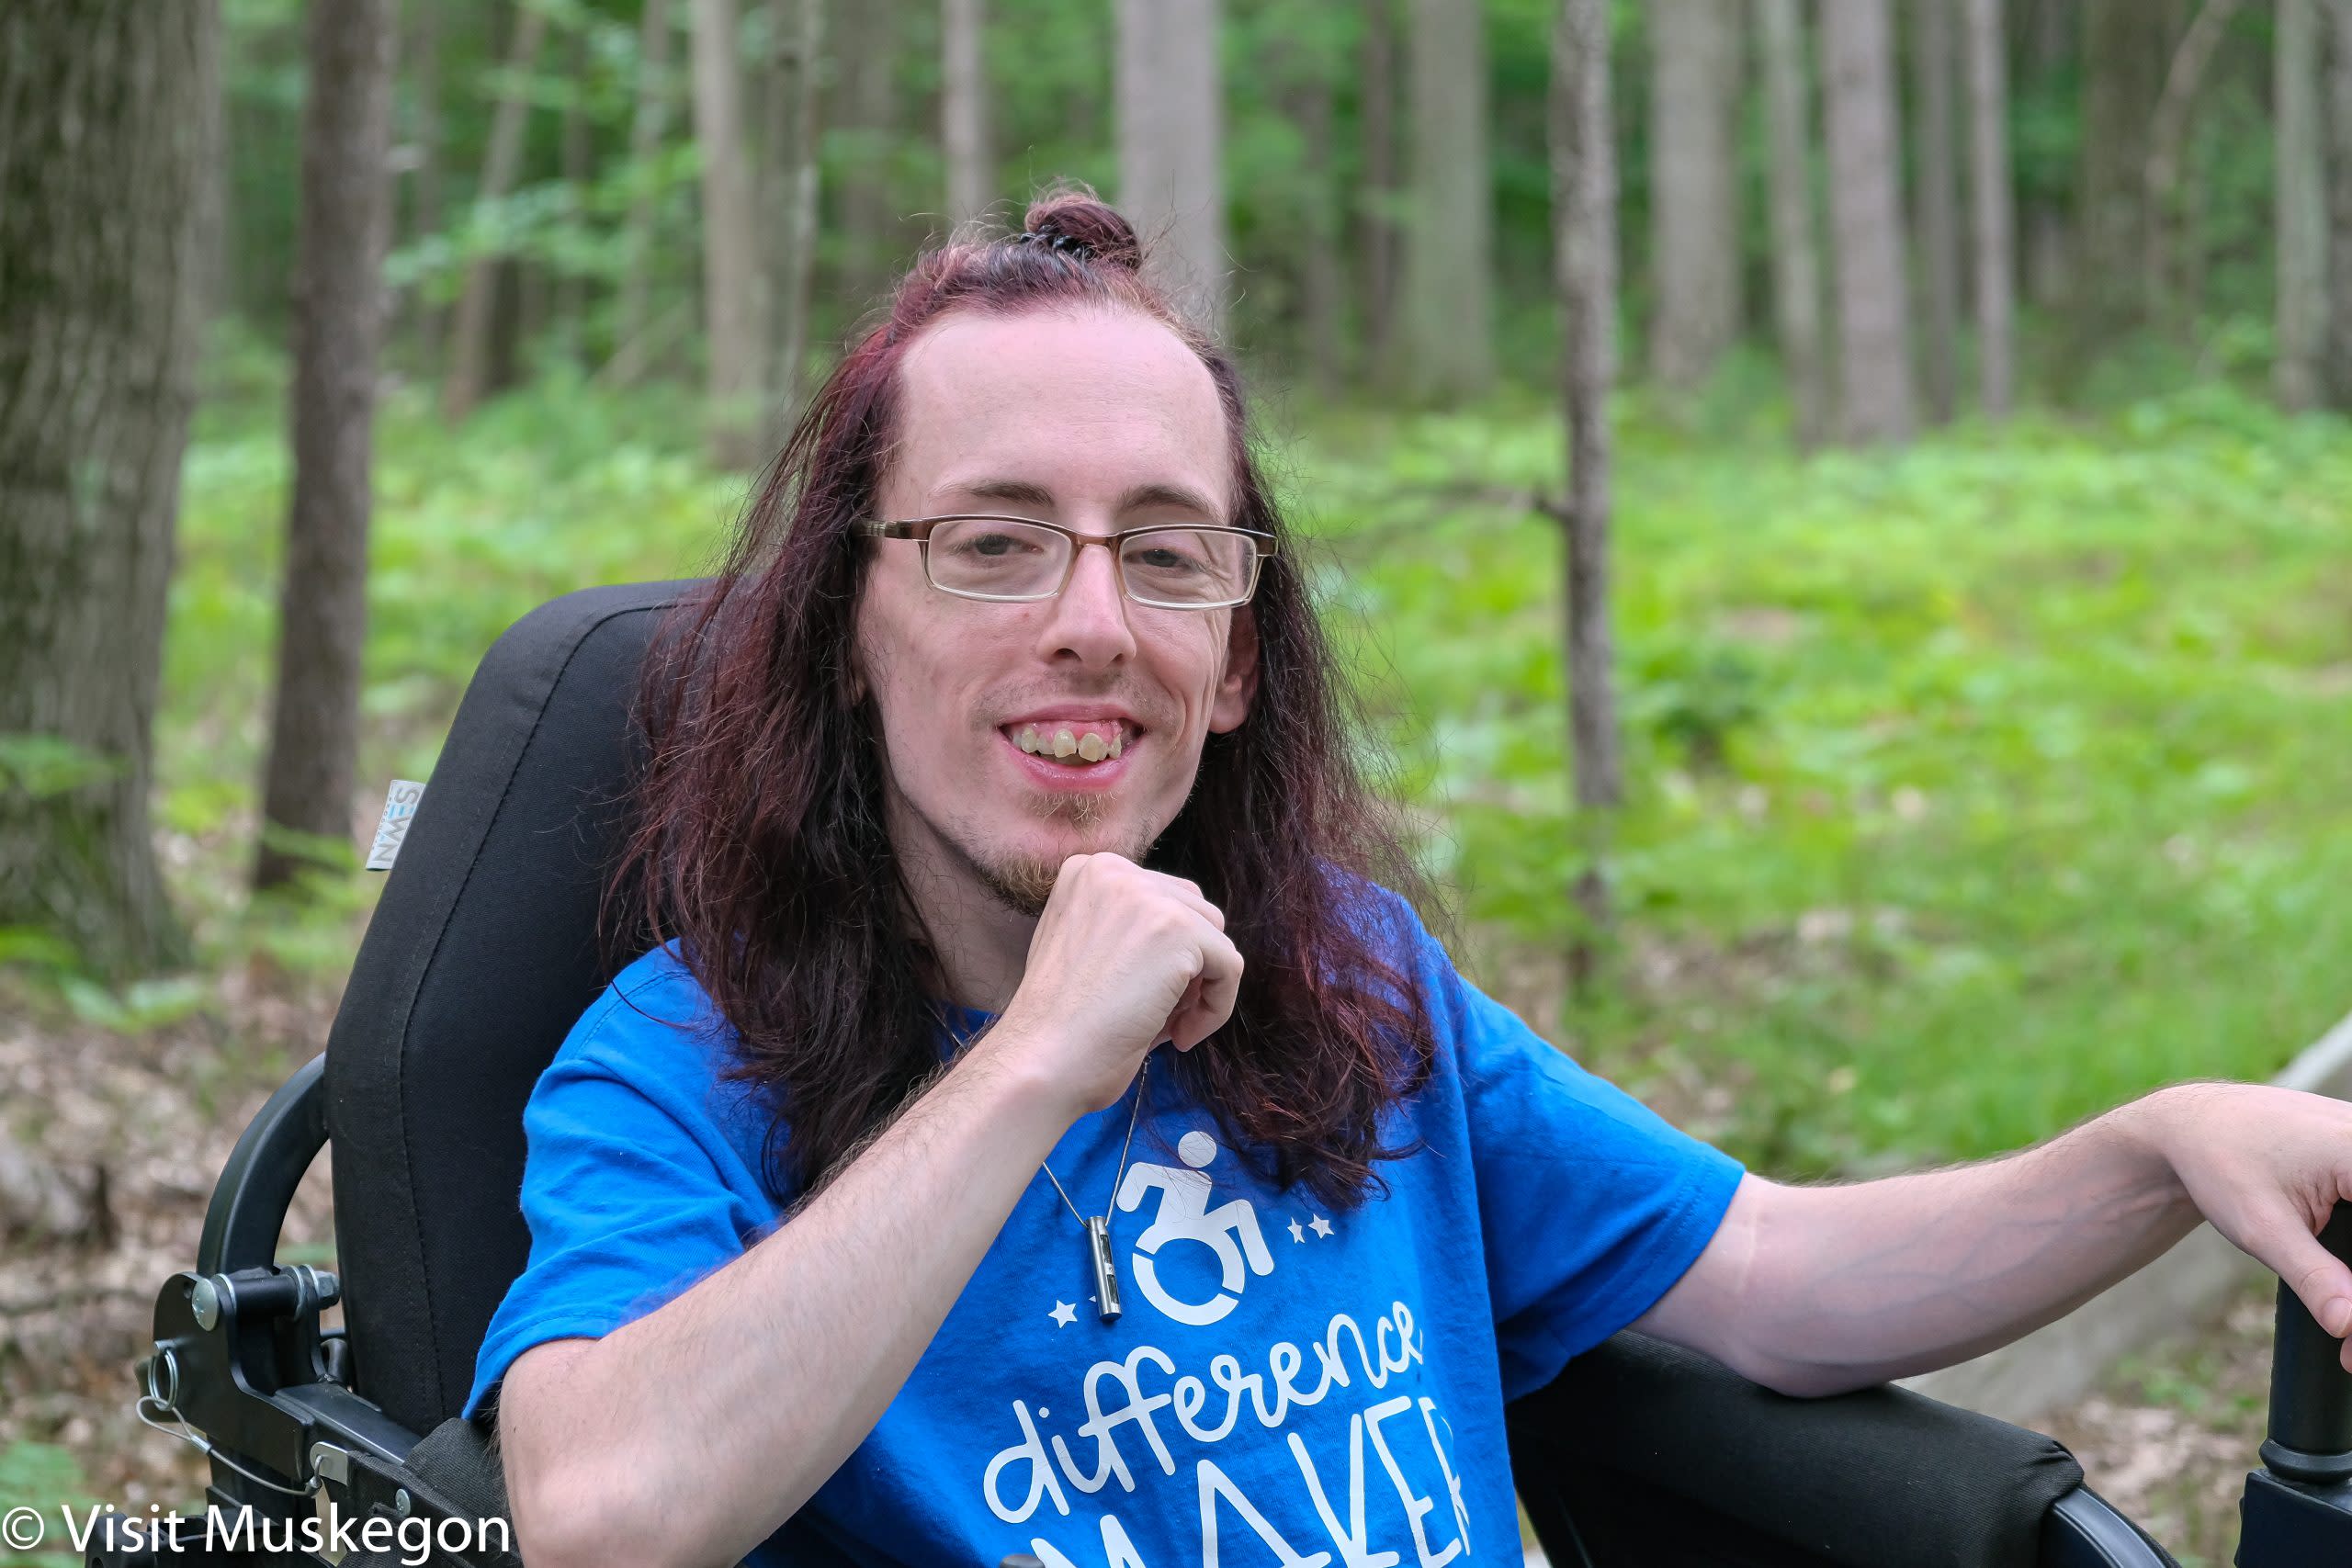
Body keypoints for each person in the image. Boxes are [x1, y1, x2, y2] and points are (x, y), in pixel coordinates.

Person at [466, 186, 2352, 1568]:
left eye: (1168, 554)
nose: (1090, 623)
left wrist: (2149, 1147)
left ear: (1236, 654)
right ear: (844, 621)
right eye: (990, 543)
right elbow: (609, 1510)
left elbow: (1768, 1270)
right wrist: (1039, 1056)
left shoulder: (1348, 983)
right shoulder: (679, 1059)